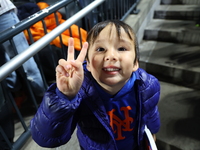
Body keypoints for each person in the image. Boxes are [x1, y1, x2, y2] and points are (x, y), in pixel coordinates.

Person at [30, 20, 160, 150]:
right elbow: (47, 139)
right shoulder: (80, 92)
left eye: (121, 48)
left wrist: (153, 132)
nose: (110, 56)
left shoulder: (147, 85)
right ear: (89, 64)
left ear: (135, 63)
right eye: (100, 49)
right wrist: (64, 97)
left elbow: (151, 111)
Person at [0, 0, 46, 97]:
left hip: (2, 12)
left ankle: (46, 98)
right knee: (4, 69)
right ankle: (18, 96)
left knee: (26, 64)